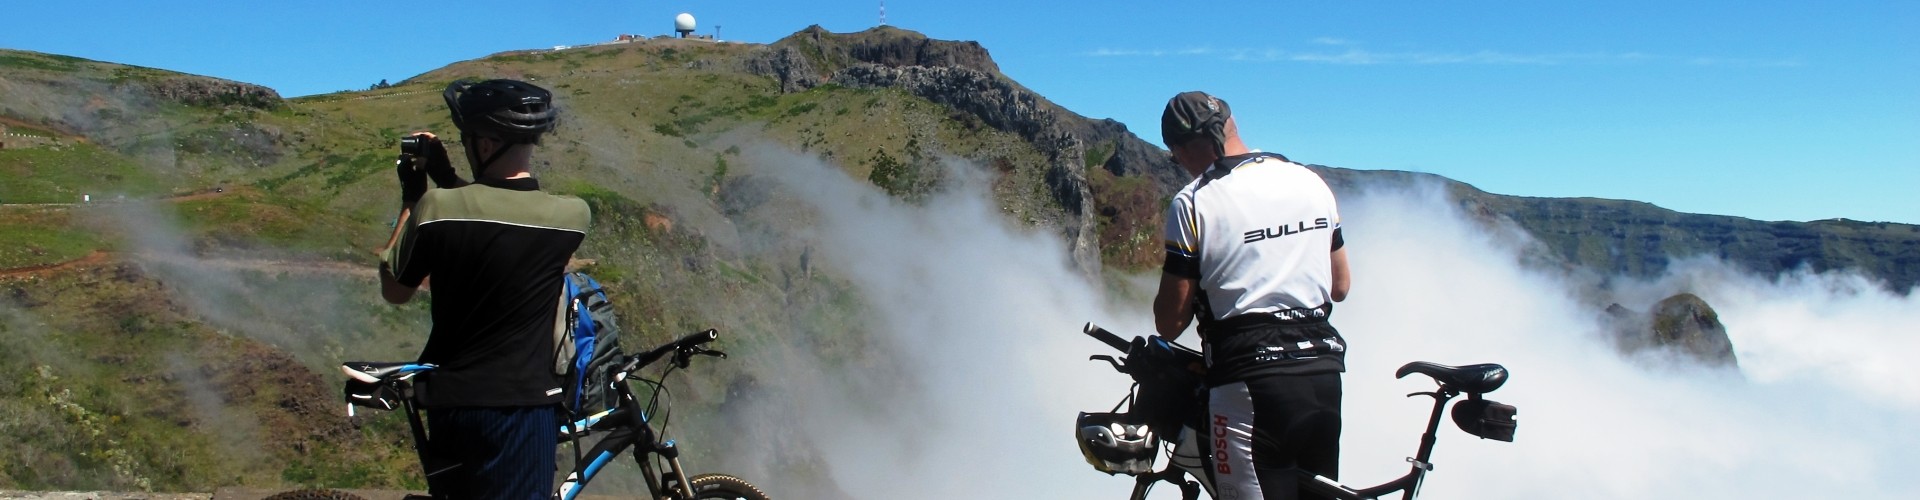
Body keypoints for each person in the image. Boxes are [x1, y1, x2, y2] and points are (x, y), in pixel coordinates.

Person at [377, 79, 589, 499]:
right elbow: (501, 217)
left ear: (487, 143)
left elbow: (394, 290)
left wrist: (414, 195)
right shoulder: (571, 218)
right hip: (524, 404)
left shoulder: (436, 209)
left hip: (452, 402)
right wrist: (450, 177)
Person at [1151, 91, 1352, 500]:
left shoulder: (1194, 201)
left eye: (1175, 155)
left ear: (1188, 146)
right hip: (1324, 374)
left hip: (1250, 385)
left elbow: (1169, 323)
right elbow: (1340, 286)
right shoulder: (1308, 180)